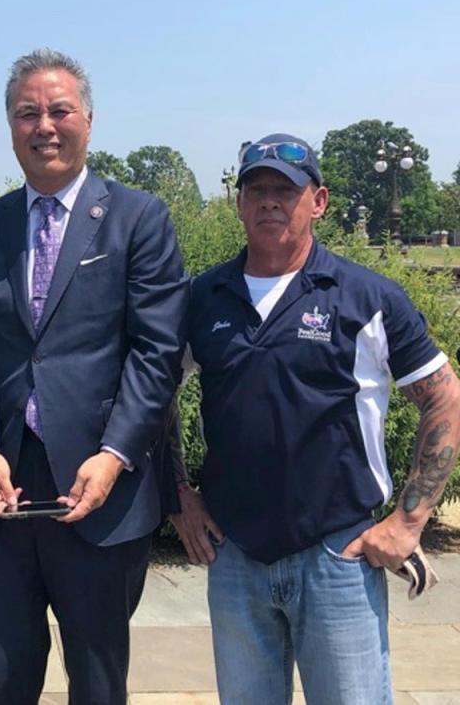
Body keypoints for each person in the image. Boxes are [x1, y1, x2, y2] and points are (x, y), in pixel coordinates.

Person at [169, 133, 460, 704]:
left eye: (286, 190)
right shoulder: (203, 298)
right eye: (257, 190)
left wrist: (407, 522)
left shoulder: (366, 296)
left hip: (339, 556)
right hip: (237, 556)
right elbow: (155, 399)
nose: (270, 202)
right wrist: (178, 493)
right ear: (239, 202)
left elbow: (444, 398)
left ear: (319, 201)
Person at [0, 48, 189, 704]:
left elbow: (156, 352)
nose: (44, 125)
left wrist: (114, 455)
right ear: (10, 126)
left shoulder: (138, 218)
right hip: (4, 491)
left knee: (98, 680)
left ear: (88, 118)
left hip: (99, 494)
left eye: (58, 110)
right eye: (28, 113)